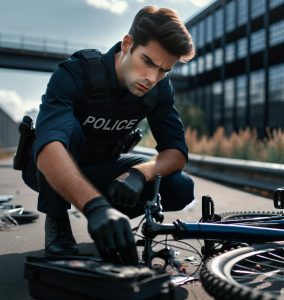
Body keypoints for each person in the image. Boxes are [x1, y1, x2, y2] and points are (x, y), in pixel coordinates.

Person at [21, 6, 195, 266]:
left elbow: (176, 152)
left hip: (102, 168)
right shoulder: (74, 73)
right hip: (49, 169)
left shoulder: (159, 89)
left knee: (180, 186)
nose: (152, 77)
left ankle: (111, 223)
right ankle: (58, 221)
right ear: (127, 44)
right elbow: (48, 148)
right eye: (147, 61)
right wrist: (94, 207)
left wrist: (139, 174)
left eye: (163, 70)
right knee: (67, 134)